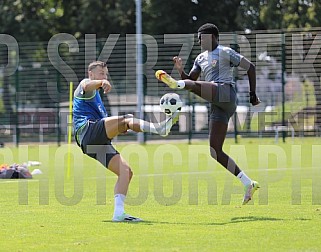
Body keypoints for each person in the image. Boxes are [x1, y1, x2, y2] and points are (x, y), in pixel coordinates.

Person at [156, 23, 261, 205]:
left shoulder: (225, 51)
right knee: (215, 151)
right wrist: (181, 71)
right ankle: (248, 183)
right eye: (197, 38)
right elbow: (192, 81)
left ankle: (174, 85)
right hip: (217, 104)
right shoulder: (200, 58)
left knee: (189, 86)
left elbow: (250, 67)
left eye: (201, 38)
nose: (199, 41)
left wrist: (252, 94)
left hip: (226, 93)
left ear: (212, 36)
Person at [73, 61, 179, 222]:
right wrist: (101, 82)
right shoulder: (86, 86)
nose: (105, 76)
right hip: (87, 131)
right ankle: (159, 129)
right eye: (101, 73)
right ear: (91, 74)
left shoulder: (99, 101)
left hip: (96, 143)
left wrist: (124, 128)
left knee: (126, 172)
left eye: (106, 74)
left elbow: (110, 126)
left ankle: (119, 213)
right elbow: (87, 86)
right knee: (126, 119)